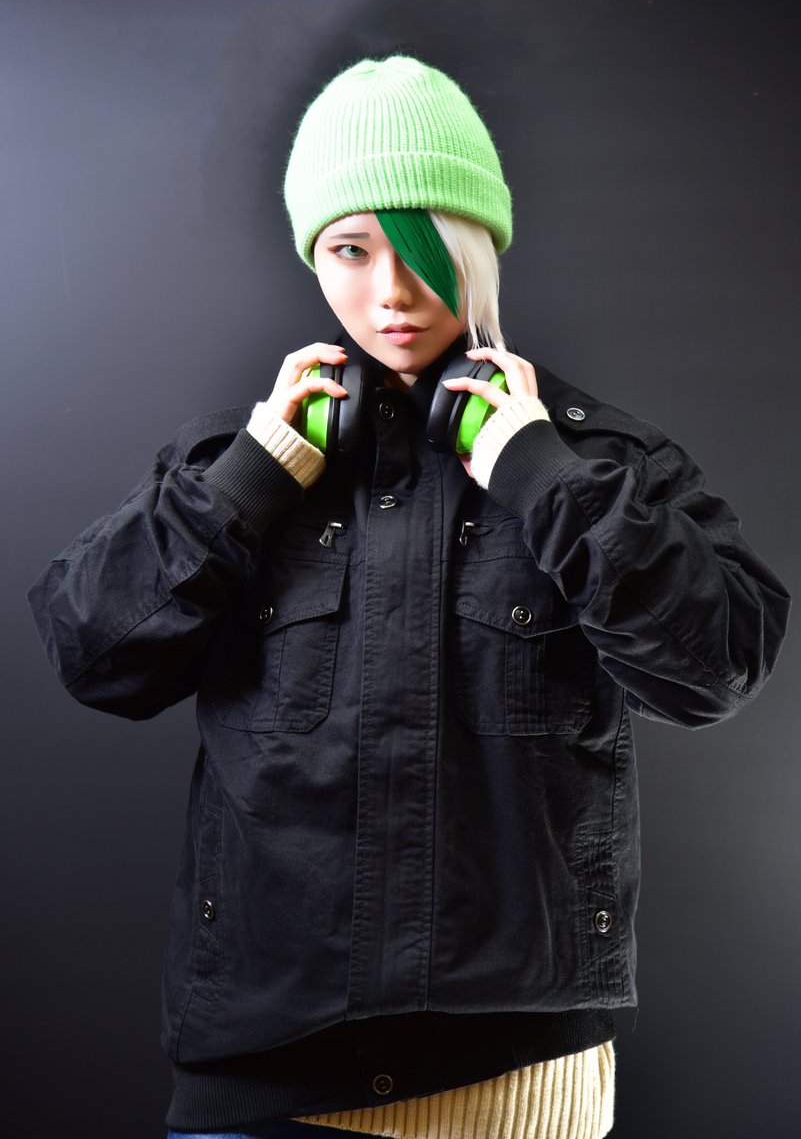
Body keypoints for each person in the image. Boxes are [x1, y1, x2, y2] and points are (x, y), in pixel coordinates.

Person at [27, 55, 790, 1139]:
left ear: (479, 249)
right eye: (351, 249)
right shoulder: (234, 466)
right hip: (259, 1068)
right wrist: (248, 482)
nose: (390, 291)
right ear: (314, 255)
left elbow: (715, 668)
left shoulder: (601, 464)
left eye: (425, 249)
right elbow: (95, 657)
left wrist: (539, 475)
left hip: (514, 1076)